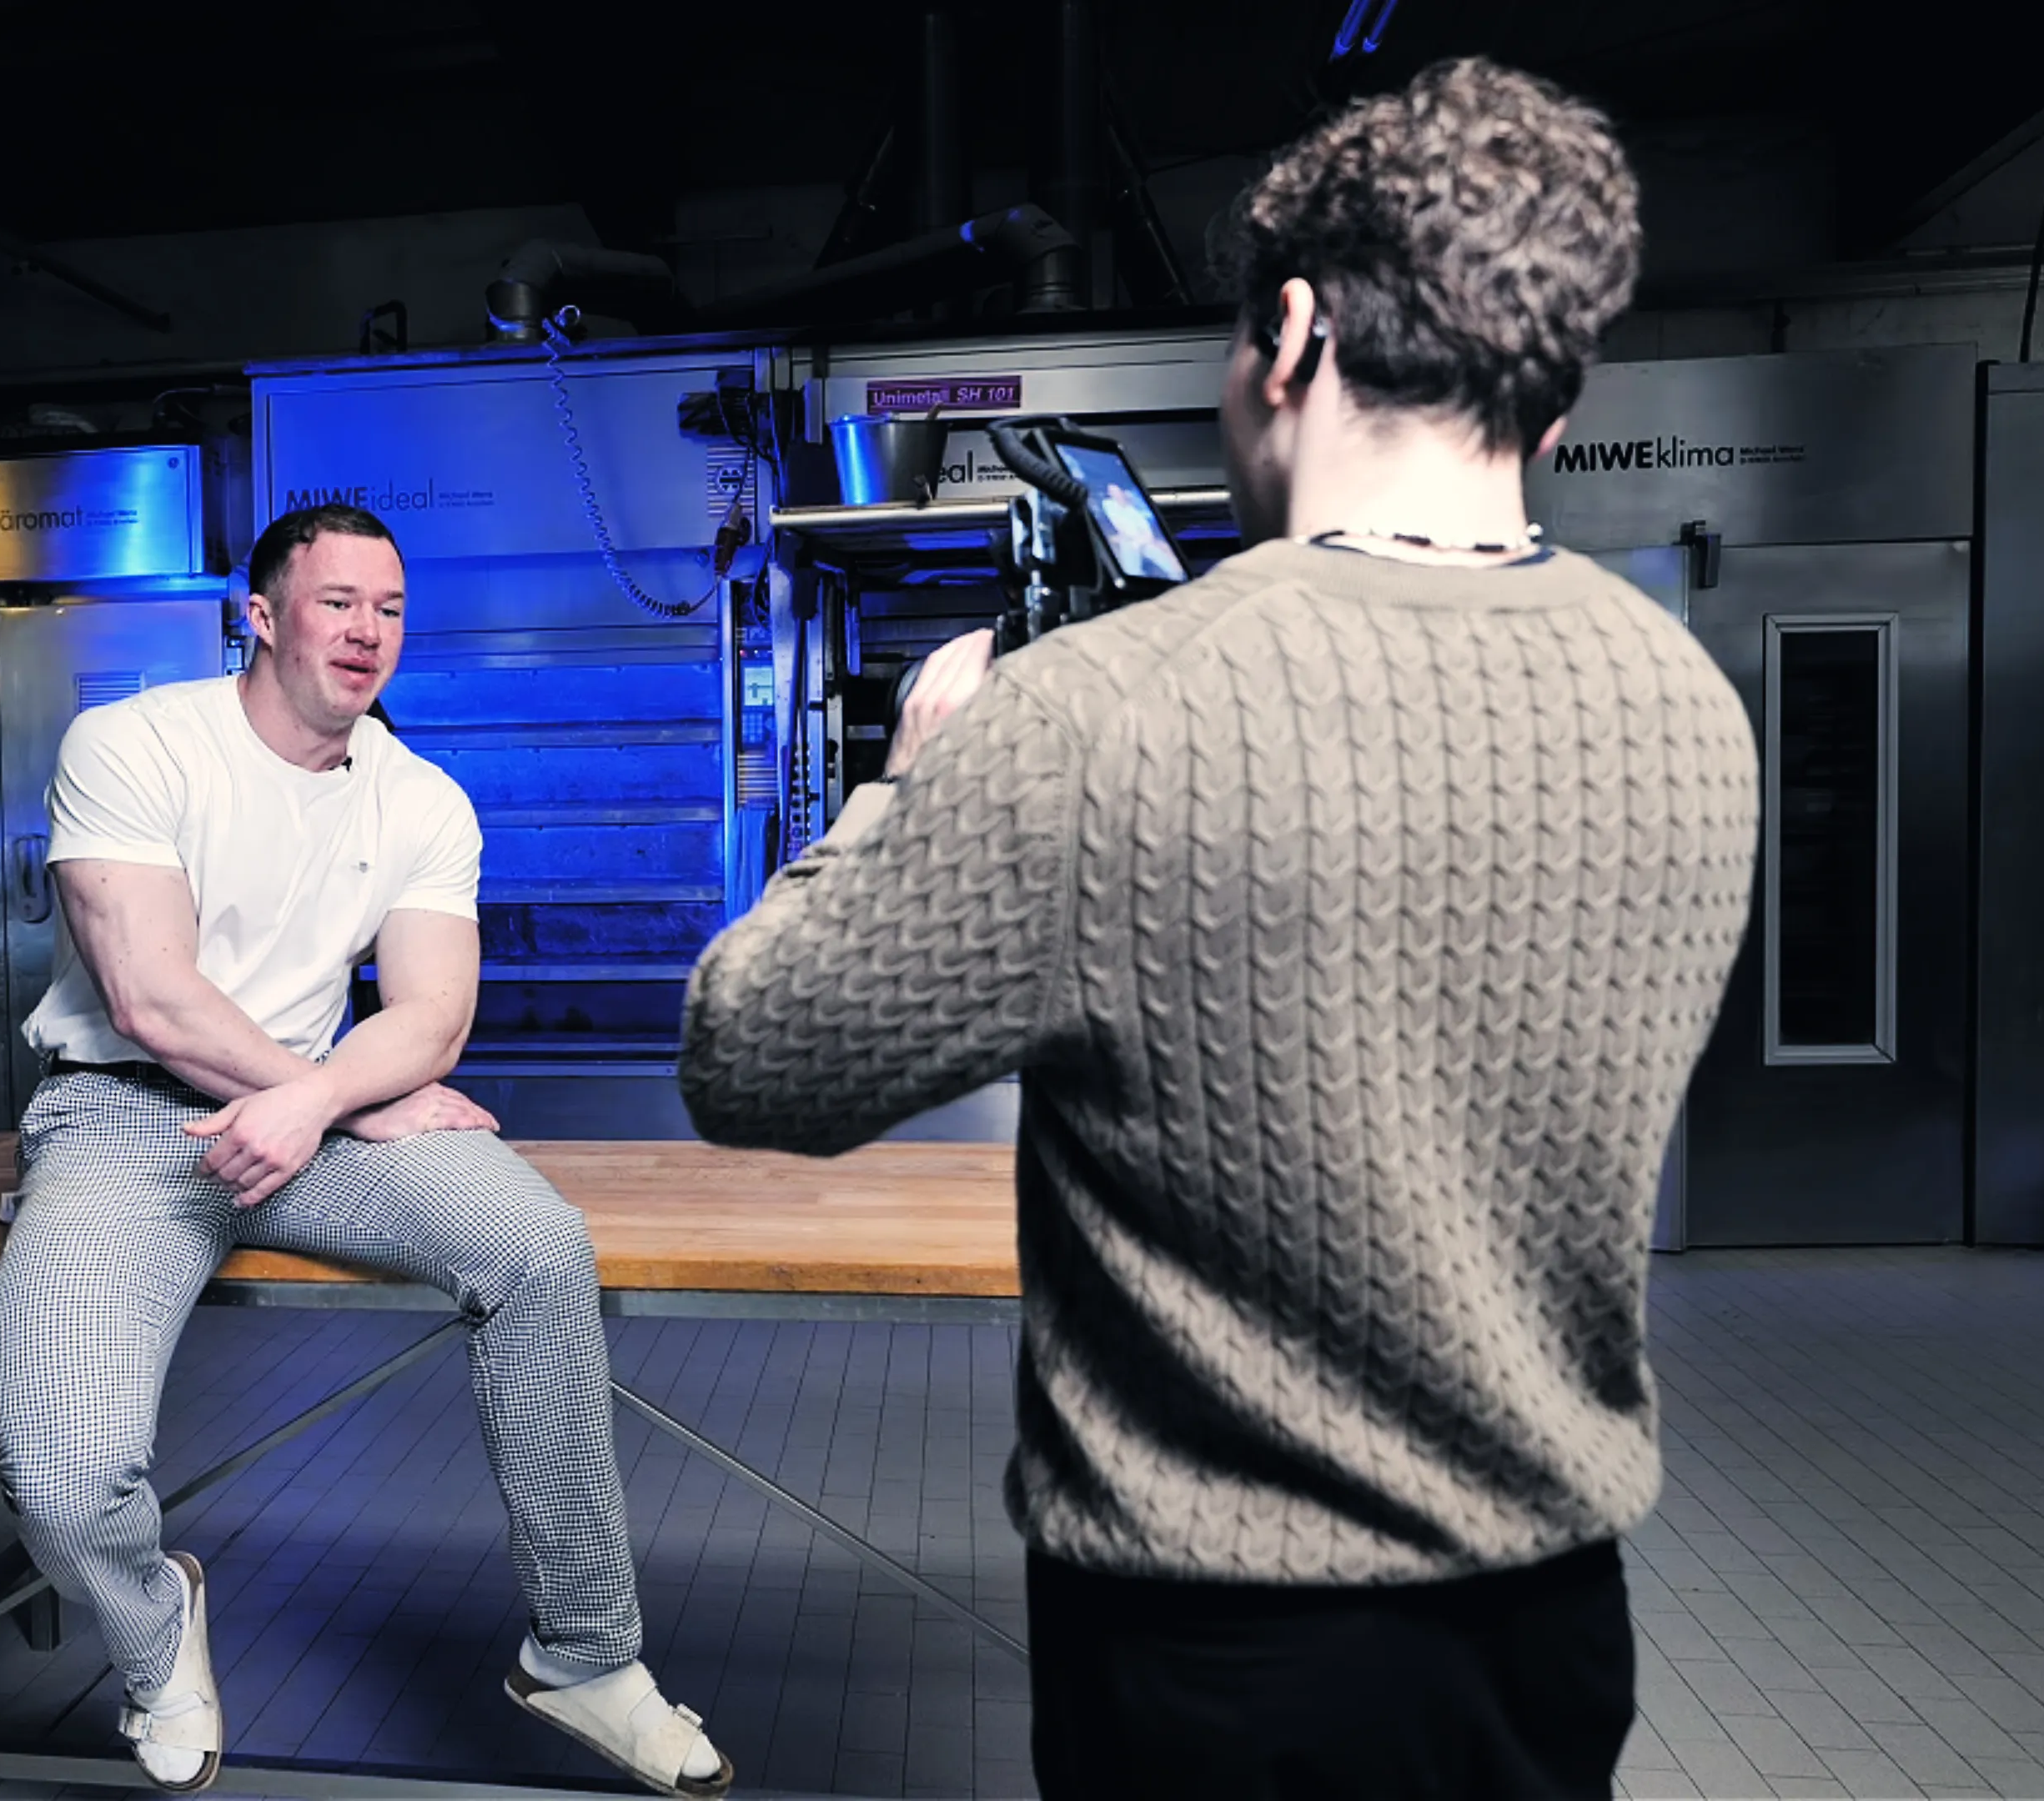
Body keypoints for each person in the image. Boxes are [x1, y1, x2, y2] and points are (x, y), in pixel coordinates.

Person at [677, 58, 1758, 1801]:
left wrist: (906, 783)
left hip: (1222, 1654)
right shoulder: (1686, 698)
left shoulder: (1117, 705)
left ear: (1299, 334)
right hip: (1556, 1629)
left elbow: (752, 1060)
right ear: (1548, 397)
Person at [0, 504, 732, 1799]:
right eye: (337, 603)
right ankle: (156, 1626)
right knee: (58, 1479)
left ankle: (585, 1654)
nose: (367, 631)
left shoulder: (421, 795)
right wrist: (334, 1092)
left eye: (388, 608)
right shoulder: (134, 743)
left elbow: (434, 1018)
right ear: (262, 614)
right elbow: (153, 997)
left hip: (324, 1121)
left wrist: (325, 1100)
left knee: (535, 1243)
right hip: (126, 1115)